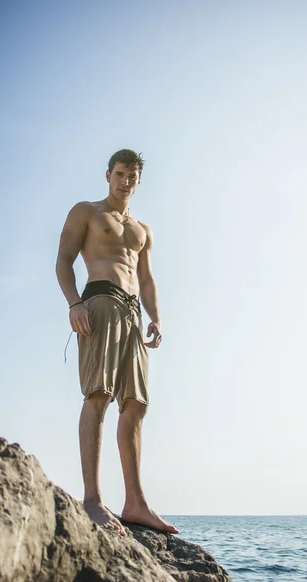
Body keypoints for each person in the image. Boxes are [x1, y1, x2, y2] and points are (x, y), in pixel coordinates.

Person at [55, 149, 179, 536]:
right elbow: (63, 259)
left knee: (137, 405)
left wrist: (156, 315)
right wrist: (75, 303)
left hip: (132, 313)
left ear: (139, 181)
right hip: (99, 301)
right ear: (108, 174)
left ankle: (135, 503)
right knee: (98, 394)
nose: (125, 181)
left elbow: (146, 280)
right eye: (119, 173)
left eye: (132, 176)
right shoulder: (87, 211)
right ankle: (92, 500)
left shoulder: (143, 231)